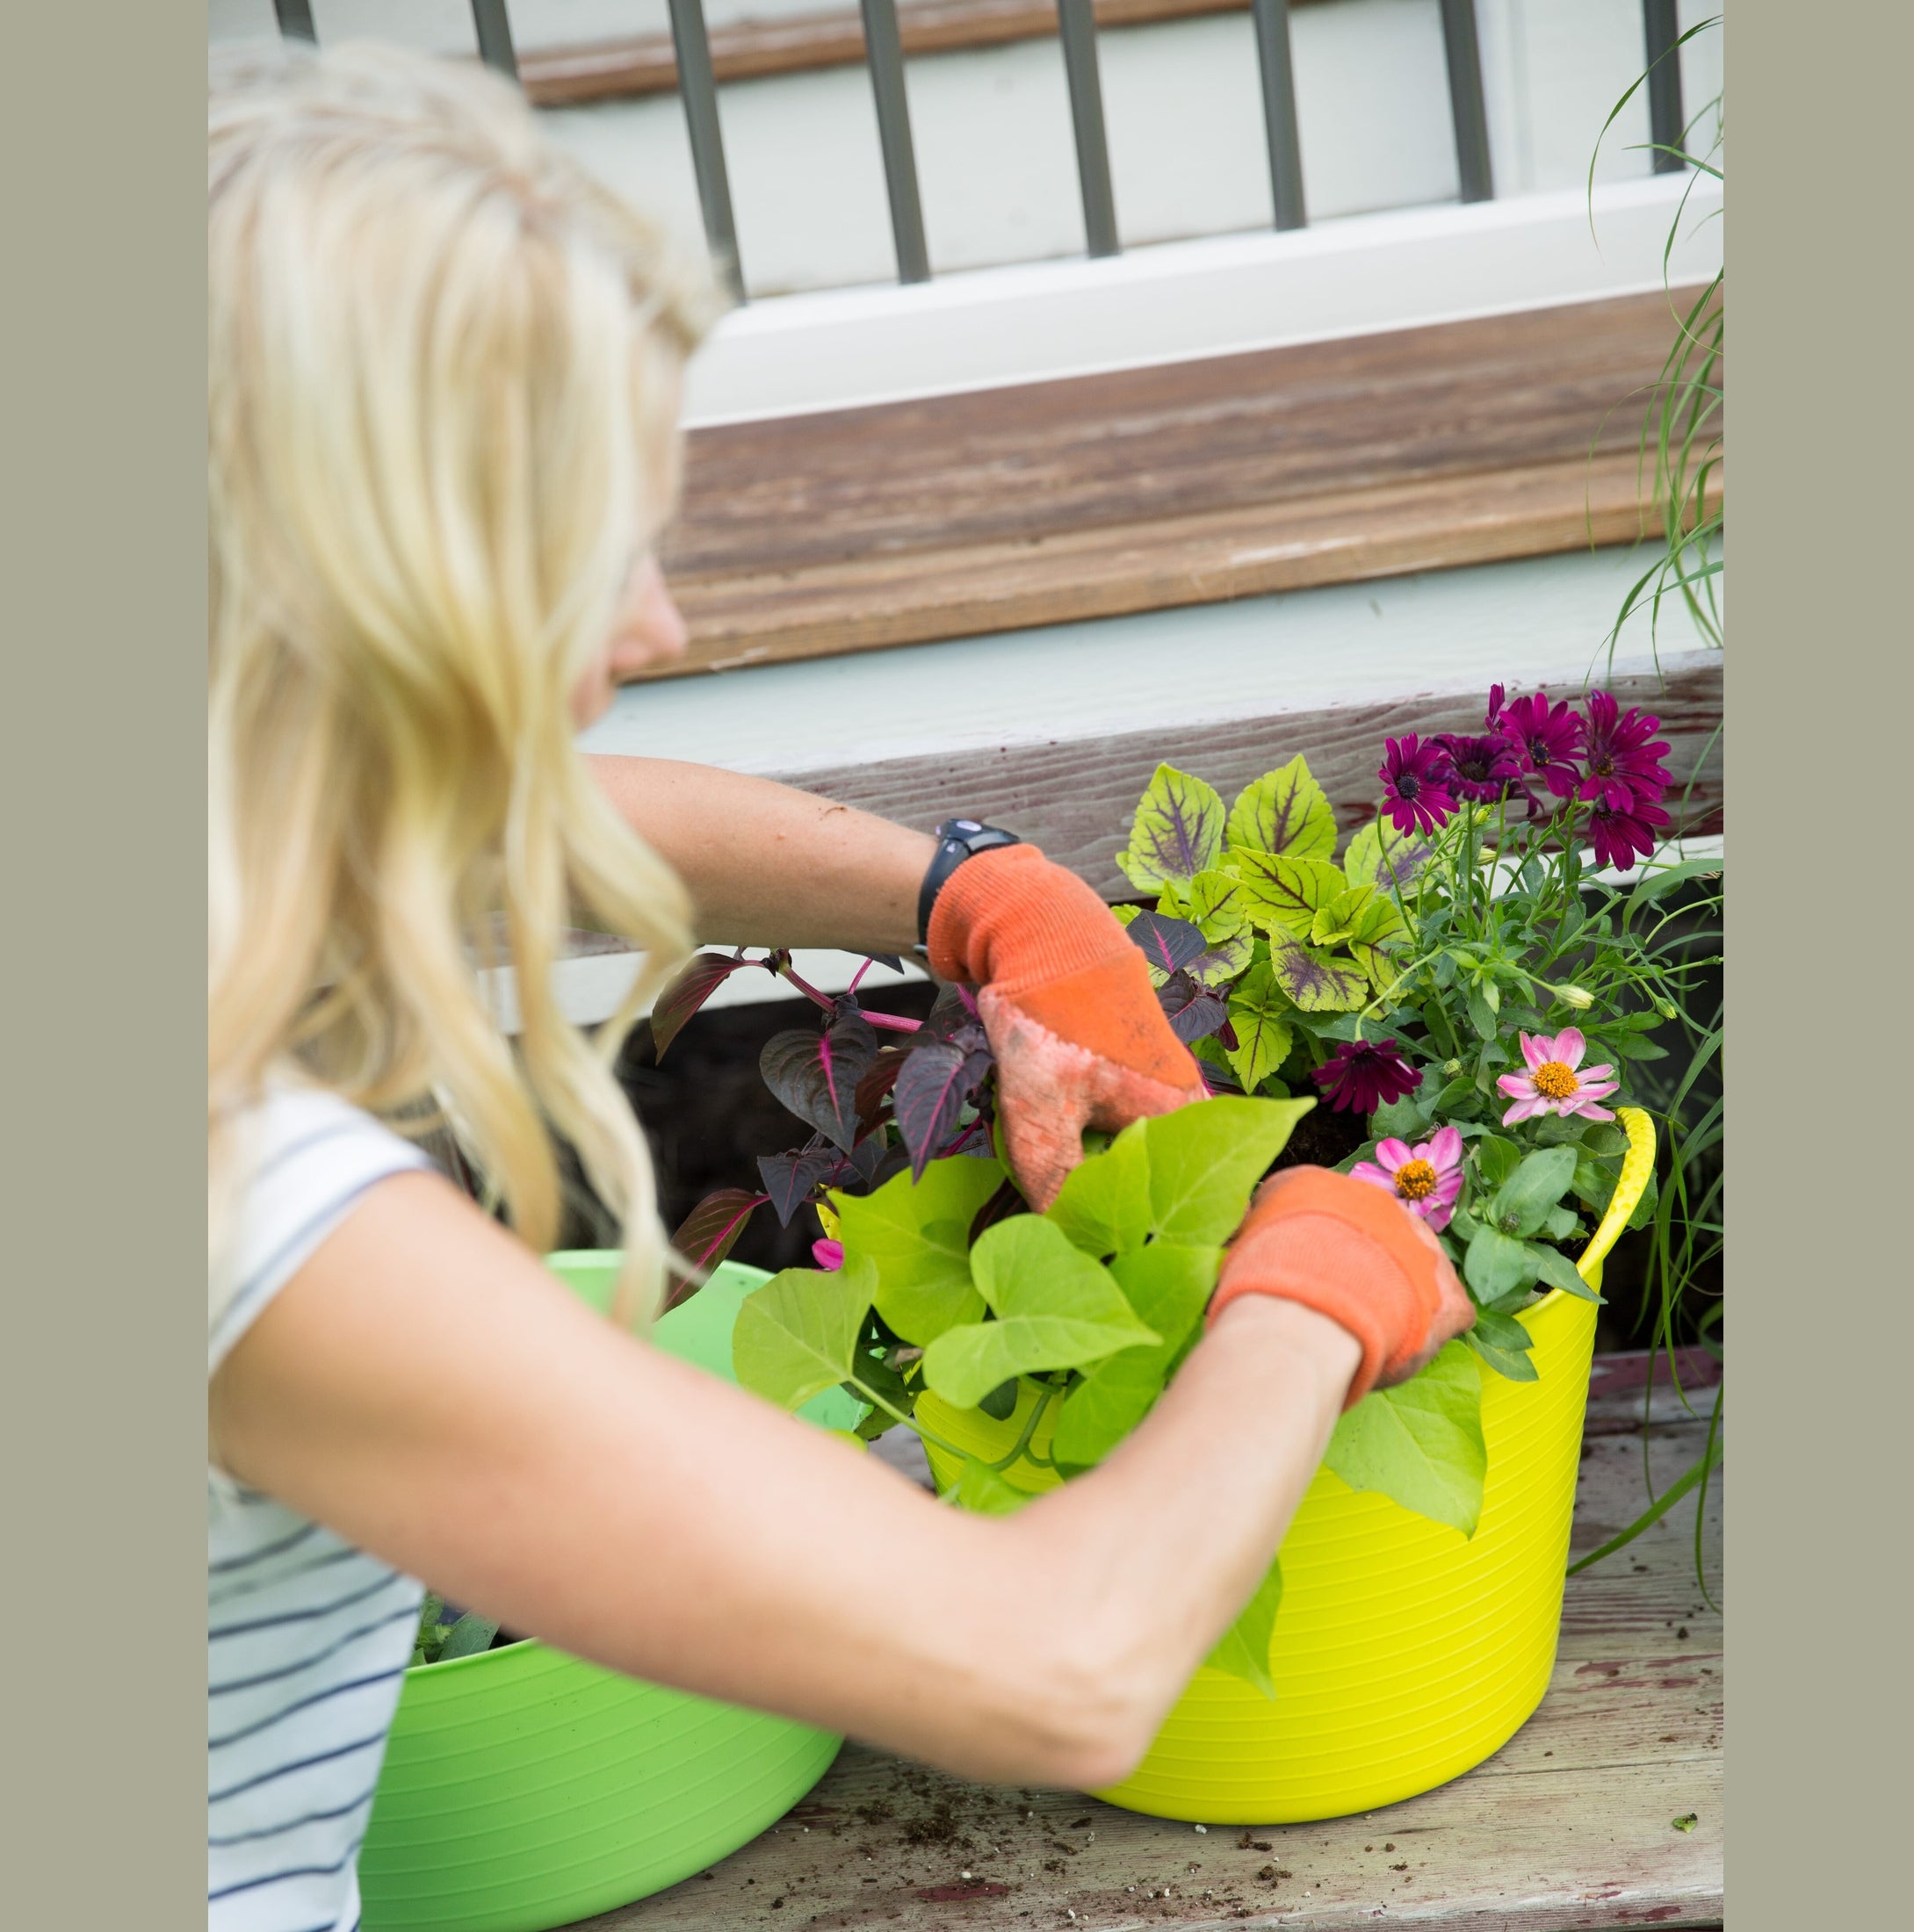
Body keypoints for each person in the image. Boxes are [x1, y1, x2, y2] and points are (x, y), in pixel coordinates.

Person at [206, 42, 1475, 1932]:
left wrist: (978, 894)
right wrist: (1311, 1285)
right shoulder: (244, 1208)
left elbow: (453, 815)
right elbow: (1063, 1660)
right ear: (378, 607)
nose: (659, 629)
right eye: (591, 562)